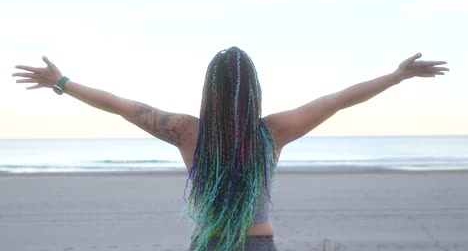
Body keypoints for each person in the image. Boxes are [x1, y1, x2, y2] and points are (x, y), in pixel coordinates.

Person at [13, 47, 449, 251]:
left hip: (208, 244)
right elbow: (338, 99)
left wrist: (63, 84)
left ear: (208, 89)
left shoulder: (186, 131)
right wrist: (396, 77)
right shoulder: (273, 132)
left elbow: (120, 106)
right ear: (255, 89)